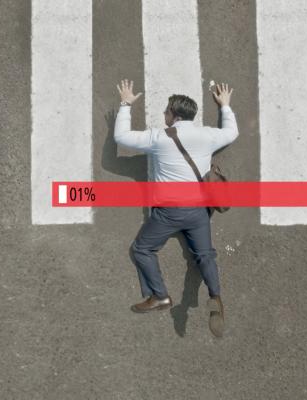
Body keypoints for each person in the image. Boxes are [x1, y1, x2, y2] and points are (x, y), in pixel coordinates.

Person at [114, 79, 238, 337]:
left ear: (174, 115)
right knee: (205, 254)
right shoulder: (207, 135)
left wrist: (125, 104)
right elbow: (231, 133)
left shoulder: (159, 137)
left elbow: (121, 137)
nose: (164, 114)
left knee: (143, 249)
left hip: (168, 212)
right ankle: (215, 295)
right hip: (198, 211)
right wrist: (225, 106)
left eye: (167, 111)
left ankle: (159, 296)